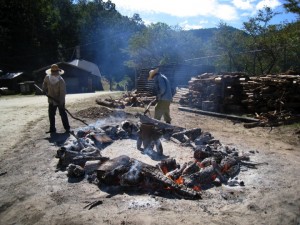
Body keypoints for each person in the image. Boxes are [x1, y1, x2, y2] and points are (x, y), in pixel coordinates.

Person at [42, 64, 70, 133]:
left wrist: (61, 102)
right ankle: (52, 129)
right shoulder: (47, 77)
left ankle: (67, 128)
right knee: (51, 114)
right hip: (51, 100)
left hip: (59, 100)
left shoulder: (61, 80)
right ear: (51, 72)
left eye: (55, 72)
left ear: (58, 72)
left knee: (62, 114)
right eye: (53, 72)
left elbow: (62, 92)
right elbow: (44, 84)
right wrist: (44, 89)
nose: (54, 74)